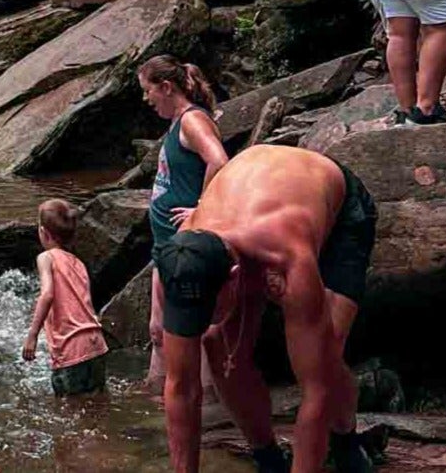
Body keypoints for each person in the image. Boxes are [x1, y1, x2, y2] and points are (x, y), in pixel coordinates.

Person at [154, 145, 377, 473]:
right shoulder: (180, 261)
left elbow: (314, 390)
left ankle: (345, 440)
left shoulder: (287, 261)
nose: (204, 321)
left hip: (335, 206)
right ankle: (268, 458)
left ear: (233, 280)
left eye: (210, 310)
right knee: (219, 346)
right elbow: (181, 388)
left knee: (326, 355)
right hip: (249, 197)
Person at [139, 55, 229, 389]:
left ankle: (207, 418)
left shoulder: (192, 121)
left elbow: (219, 160)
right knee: (158, 333)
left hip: (185, 250)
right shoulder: (178, 122)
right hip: (165, 248)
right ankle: (160, 413)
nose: (146, 99)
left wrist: (200, 208)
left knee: (194, 334)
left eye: (148, 91)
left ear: (166, 87)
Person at [21, 198, 109, 397]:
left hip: (72, 348)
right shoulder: (78, 263)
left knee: (69, 410)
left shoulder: (46, 258)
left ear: (44, 232)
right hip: (97, 344)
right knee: (96, 404)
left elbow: (47, 294)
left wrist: (32, 335)